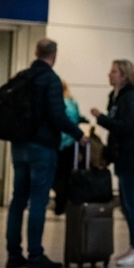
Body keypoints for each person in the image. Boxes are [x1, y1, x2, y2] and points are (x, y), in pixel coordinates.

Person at [5, 38, 84, 268]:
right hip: (42, 147)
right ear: (54, 54)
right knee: (38, 200)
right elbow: (58, 116)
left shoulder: (21, 77)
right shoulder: (51, 79)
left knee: (18, 200)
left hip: (19, 146)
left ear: (36, 52)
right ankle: (36, 255)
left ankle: (13, 254)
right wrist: (79, 134)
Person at [92, 60, 134, 266]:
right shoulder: (116, 97)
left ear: (124, 76)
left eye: (114, 72)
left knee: (132, 203)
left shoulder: (130, 98)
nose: (110, 75)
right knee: (126, 204)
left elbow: (124, 126)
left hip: (132, 157)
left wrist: (101, 118)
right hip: (123, 155)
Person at [52, 80, 87, 216]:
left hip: (57, 143)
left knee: (56, 176)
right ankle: (64, 203)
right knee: (66, 175)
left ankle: (59, 203)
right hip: (71, 143)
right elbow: (77, 119)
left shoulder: (56, 103)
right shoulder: (72, 102)